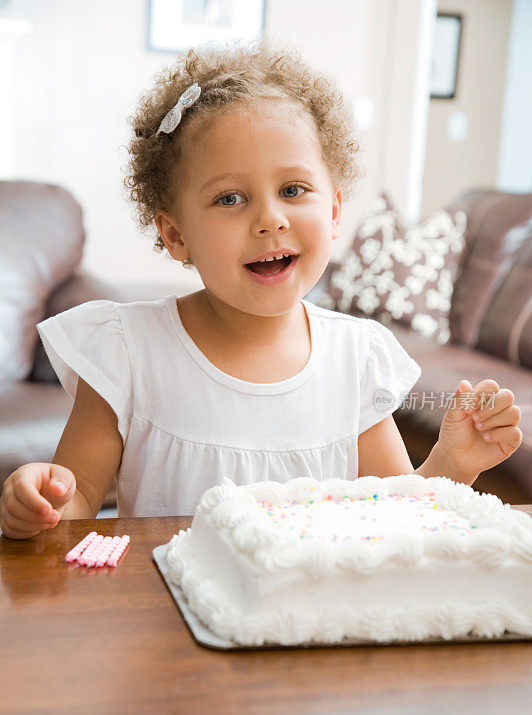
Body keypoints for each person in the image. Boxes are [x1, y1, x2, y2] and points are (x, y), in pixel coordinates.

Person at [0, 37, 522, 540]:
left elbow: (392, 516)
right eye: (230, 198)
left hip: (310, 621)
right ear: (175, 234)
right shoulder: (127, 350)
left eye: (293, 190)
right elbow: (78, 498)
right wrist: (43, 499)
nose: (270, 219)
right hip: (168, 621)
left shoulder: (357, 358)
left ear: (335, 210)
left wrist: (449, 466)